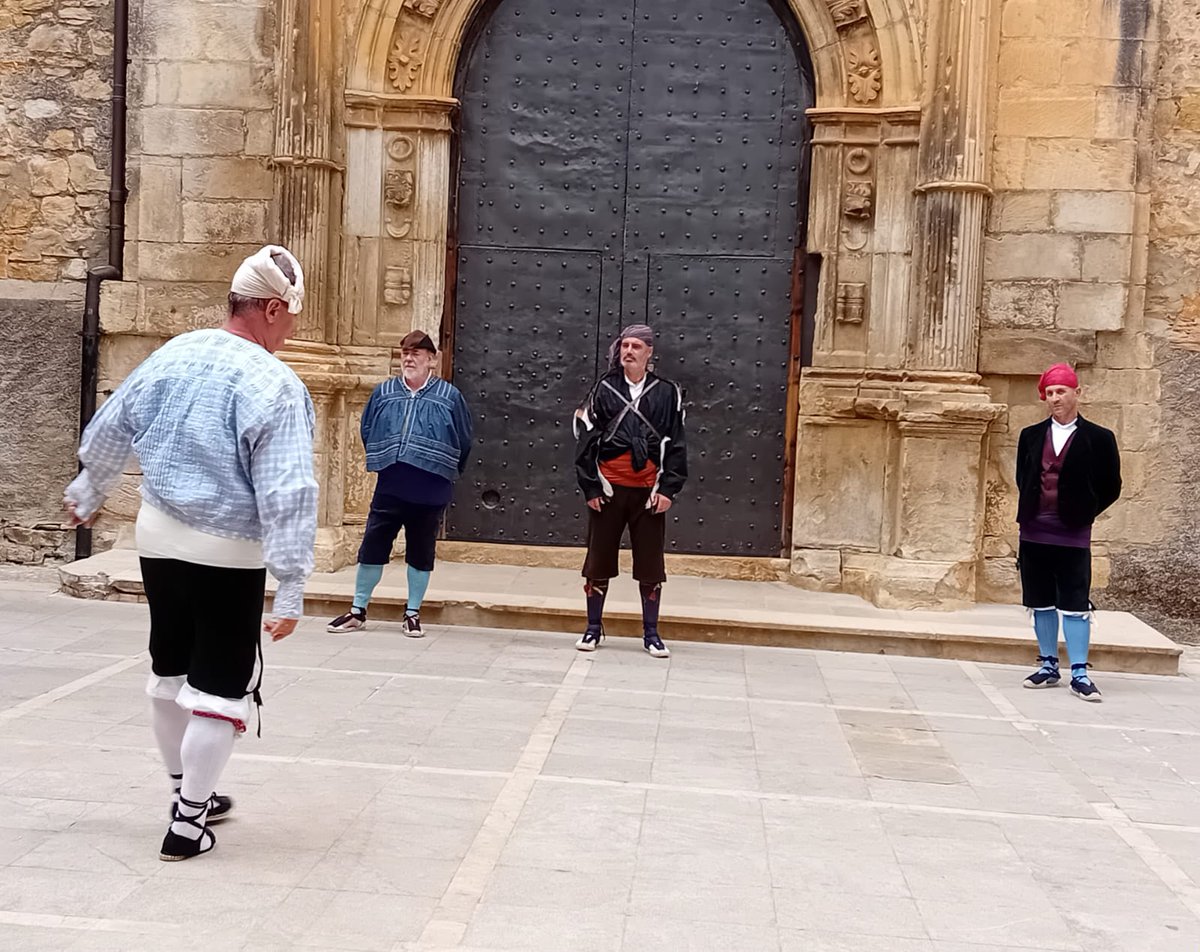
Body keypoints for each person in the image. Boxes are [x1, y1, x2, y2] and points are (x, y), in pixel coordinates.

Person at [64, 245, 318, 860]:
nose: (289, 332)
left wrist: (88, 488)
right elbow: (287, 490)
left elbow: (112, 423)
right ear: (271, 308)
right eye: (289, 318)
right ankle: (188, 823)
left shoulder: (173, 353)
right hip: (228, 549)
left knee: (169, 666)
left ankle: (184, 789)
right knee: (220, 683)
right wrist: (289, 584)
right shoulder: (275, 385)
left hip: (158, 535)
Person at [326, 330, 473, 636]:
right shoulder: (385, 392)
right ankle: (357, 610)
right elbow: (368, 428)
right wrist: (386, 458)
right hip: (391, 486)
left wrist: (441, 468)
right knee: (372, 547)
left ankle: (412, 613)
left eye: (416, 353)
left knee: (421, 551)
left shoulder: (449, 397)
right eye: (405, 353)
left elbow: (464, 439)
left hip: (430, 489)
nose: (408, 358)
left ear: (431, 360)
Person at [573, 324, 688, 658]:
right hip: (608, 490)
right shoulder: (604, 388)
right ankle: (593, 629)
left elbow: (676, 443)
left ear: (649, 352)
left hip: (647, 493)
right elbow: (585, 439)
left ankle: (651, 634)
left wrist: (668, 488)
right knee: (598, 560)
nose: (629, 351)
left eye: (637, 346)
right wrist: (591, 486)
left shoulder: (666, 392)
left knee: (651, 564)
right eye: (625, 345)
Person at [1016, 362, 1121, 701]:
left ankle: (1079, 671)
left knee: (1075, 601)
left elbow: (1111, 485)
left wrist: (1084, 512)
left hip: (1073, 533)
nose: (1055, 398)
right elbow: (1023, 478)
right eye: (1049, 393)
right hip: (1034, 531)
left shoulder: (1100, 438)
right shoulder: (1030, 436)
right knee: (1040, 601)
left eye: (1061, 391)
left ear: (1077, 393)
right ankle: (1048, 665)